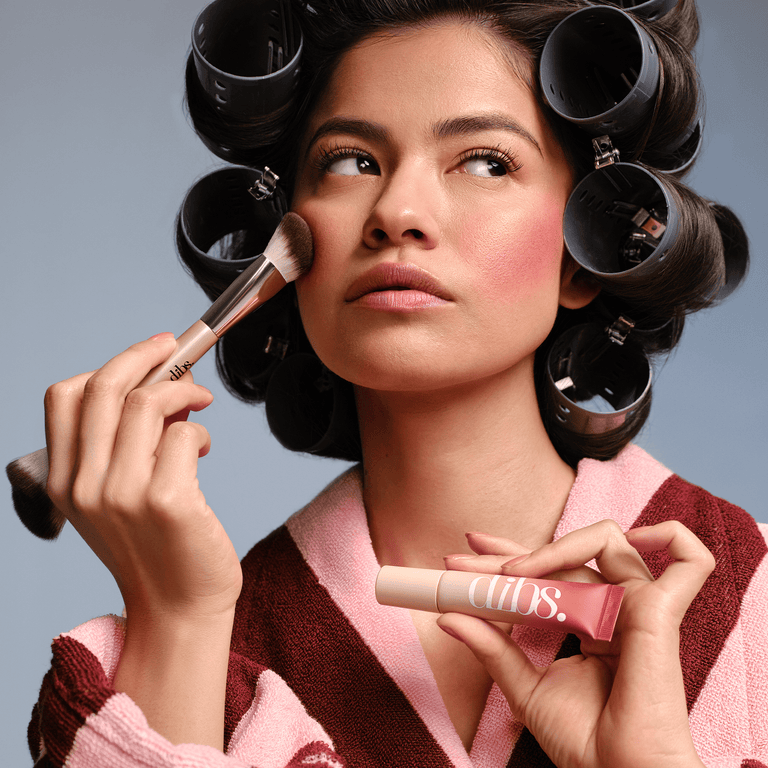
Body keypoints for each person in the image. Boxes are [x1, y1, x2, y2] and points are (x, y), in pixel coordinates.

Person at [28, 1, 767, 767]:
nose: (397, 212)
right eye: (351, 160)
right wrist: (177, 619)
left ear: (584, 250)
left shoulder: (750, 597)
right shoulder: (195, 650)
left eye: (486, 161)